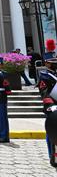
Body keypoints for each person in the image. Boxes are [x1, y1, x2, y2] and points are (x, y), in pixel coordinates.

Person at [37, 39, 57, 167]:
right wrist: (51, 107)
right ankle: (52, 156)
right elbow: (44, 93)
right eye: (53, 63)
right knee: (52, 132)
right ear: (47, 63)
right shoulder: (44, 76)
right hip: (52, 109)